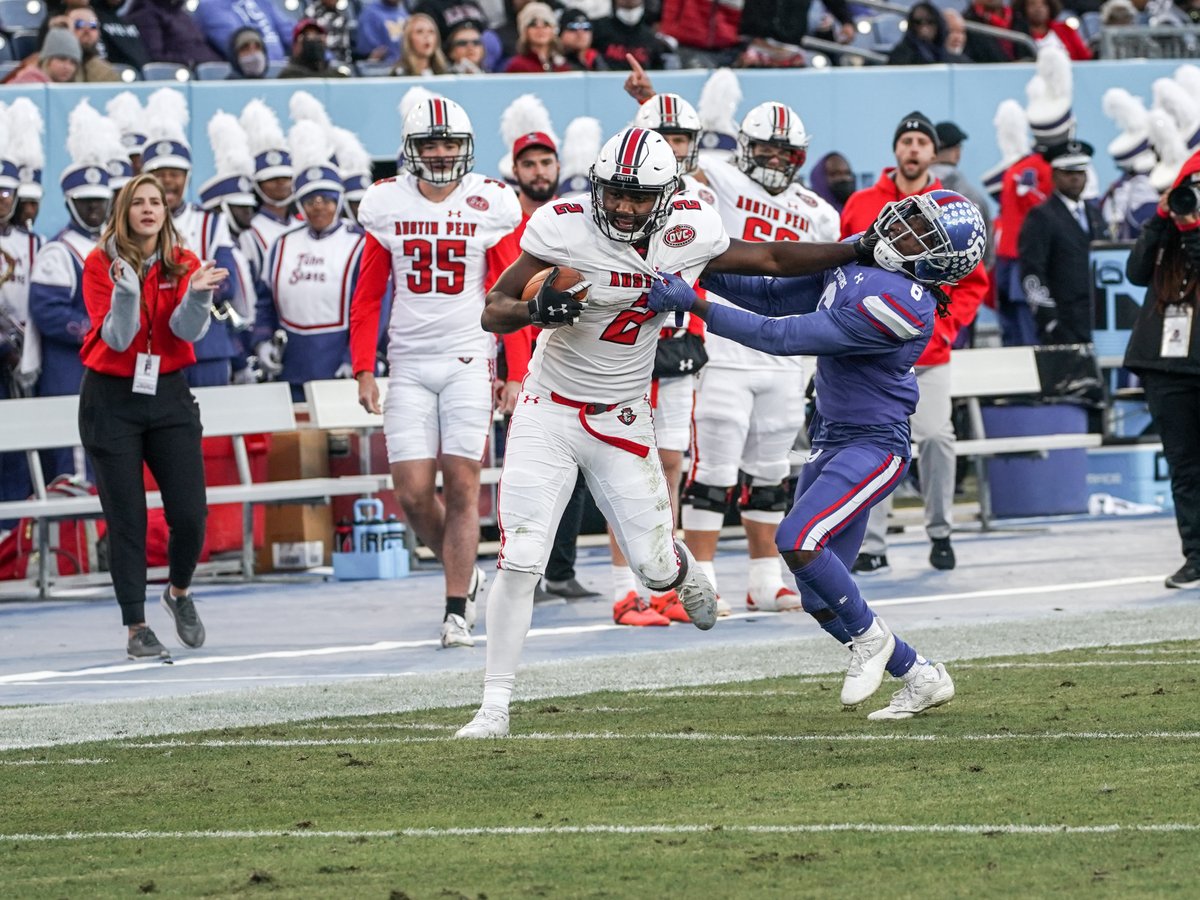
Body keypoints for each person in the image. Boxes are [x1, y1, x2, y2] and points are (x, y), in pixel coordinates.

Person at [454, 126, 874, 739]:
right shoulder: (563, 224)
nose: (624, 206)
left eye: (639, 195)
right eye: (615, 192)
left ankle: (679, 570)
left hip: (623, 414)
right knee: (519, 558)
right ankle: (494, 706)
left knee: (654, 571)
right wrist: (535, 311)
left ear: (668, 192)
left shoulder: (690, 227)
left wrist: (854, 248)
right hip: (548, 407)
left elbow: (773, 259)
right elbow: (493, 306)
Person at [646, 189, 986, 719]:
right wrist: (695, 267)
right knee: (819, 599)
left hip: (875, 443)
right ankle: (920, 674)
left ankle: (872, 643)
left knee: (798, 538)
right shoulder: (869, 252)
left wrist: (693, 302)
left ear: (938, 260)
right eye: (909, 216)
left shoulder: (904, 304)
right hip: (832, 435)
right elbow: (774, 296)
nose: (900, 228)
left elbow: (779, 335)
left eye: (920, 231)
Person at [350, 97, 522, 649]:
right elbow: (368, 292)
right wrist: (362, 368)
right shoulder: (387, 203)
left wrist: (515, 369)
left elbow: (509, 292)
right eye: (431, 143)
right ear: (412, 149)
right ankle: (463, 567)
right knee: (413, 492)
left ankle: (455, 610)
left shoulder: (489, 202)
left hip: (469, 355)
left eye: (450, 143)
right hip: (408, 360)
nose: (442, 152)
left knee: (463, 482)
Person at [78, 172, 228, 660]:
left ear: (166, 212)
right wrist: (125, 290)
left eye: (156, 203)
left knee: (189, 513)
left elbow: (185, 330)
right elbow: (118, 339)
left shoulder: (184, 262)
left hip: (167, 393)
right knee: (128, 520)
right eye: (138, 202)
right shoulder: (101, 262)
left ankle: (178, 592)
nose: (148, 209)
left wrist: (199, 295)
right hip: (111, 399)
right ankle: (136, 627)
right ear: (123, 211)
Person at [843, 112, 988, 575]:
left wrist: (945, 327)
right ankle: (873, 543)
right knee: (873, 444)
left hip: (929, 354)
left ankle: (941, 531)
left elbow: (973, 281)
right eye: (905, 140)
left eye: (921, 142)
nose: (913, 148)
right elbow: (840, 268)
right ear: (896, 149)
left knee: (936, 437)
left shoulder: (950, 206)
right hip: (872, 352)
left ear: (933, 152)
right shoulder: (863, 202)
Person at [485, 128, 600, 604]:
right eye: (529, 164)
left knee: (574, 470)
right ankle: (521, 573)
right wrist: (512, 375)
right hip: (526, 363)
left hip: (573, 358)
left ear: (557, 167)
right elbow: (499, 304)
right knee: (530, 475)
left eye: (545, 163)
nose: (538, 172)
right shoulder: (506, 232)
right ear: (517, 171)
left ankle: (560, 570)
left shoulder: (576, 224)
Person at [27, 101, 116, 481]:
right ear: (69, 202)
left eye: (99, 200)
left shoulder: (116, 248)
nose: (94, 208)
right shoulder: (56, 251)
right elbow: (46, 311)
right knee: (74, 468)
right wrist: (94, 330)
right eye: (86, 202)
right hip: (70, 373)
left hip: (110, 370)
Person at [1123, 154, 1200, 588]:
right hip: (1167, 366)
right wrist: (1162, 219)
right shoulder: (1166, 228)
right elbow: (1135, 272)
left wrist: (1193, 229)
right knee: (1185, 466)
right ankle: (1196, 556)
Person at [139, 89, 247, 387]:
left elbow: (225, 282)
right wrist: (191, 283)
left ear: (187, 177)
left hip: (206, 348)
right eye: (160, 172)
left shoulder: (211, 222)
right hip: (151, 347)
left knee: (215, 431)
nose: (169, 180)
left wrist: (166, 289)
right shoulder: (129, 226)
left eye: (176, 172)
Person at [254, 125, 365, 399]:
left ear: (338, 201)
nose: (319, 206)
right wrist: (261, 341)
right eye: (311, 200)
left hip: (340, 360)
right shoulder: (282, 244)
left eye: (326, 199)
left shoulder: (360, 242)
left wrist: (357, 358)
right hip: (291, 363)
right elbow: (265, 300)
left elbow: (373, 307)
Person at [1019, 140, 1106, 344]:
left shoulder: (1095, 215)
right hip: (1062, 322)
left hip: (1097, 321)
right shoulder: (1041, 216)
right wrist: (1049, 320)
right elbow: (1032, 269)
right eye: (1068, 173)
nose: (1075, 178)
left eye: (1080, 172)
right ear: (1054, 175)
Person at [125, 0, 222, 67]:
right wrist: (192, 62)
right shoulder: (145, 13)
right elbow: (155, 56)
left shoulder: (182, 14)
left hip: (210, 70)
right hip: (182, 78)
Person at [192, 0, 293, 64]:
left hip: (280, 69)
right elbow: (240, 46)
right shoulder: (210, 5)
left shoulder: (263, 2)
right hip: (250, 73)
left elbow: (291, 33)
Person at [888, 4, 969, 65]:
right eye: (918, 22)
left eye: (930, 22)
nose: (924, 28)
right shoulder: (901, 56)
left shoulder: (956, 61)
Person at [1012, 0, 1093, 60]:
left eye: (1044, 4)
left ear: (1050, 7)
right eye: (1032, 4)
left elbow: (1085, 57)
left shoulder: (1065, 29)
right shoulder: (1020, 36)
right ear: (1023, 8)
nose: (1038, 8)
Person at [505, 2, 570, 72]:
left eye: (546, 24)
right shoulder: (517, 65)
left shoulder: (562, 65)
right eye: (533, 24)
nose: (540, 28)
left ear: (553, 30)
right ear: (524, 31)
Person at [9, 28, 82, 84]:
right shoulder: (28, 83)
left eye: (73, 62)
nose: (67, 67)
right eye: (62, 59)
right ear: (47, 60)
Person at [67, 7, 120, 81]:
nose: (87, 30)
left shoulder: (106, 72)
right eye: (79, 24)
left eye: (93, 25)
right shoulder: (57, 68)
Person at [356, 0, 409, 64]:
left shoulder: (403, 12)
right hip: (385, 67)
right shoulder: (370, 14)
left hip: (405, 66)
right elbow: (373, 54)